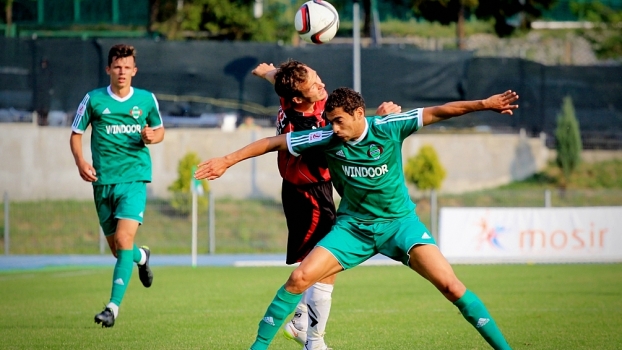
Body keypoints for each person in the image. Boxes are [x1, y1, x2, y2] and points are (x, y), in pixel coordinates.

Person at [195, 87, 519, 350]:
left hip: (399, 225)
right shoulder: (326, 138)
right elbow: (273, 143)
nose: (333, 128)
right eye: (329, 121)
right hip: (353, 229)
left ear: (359, 114)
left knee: (451, 286)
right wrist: (226, 160)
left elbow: (440, 110)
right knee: (298, 279)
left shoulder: (389, 126)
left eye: (338, 121)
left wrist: (485, 104)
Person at [251, 60, 401, 350]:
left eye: (317, 76)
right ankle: (309, 336)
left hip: (307, 190)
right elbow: (347, 139)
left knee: (318, 264)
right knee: (324, 264)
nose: (322, 84)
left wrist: (265, 72)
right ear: (298, 99)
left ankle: (302, 322)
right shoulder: (307, 127)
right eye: (314, 83)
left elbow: (278, 80)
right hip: (309, 195)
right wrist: (378, 121)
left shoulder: (292, 94)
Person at [69, 44, 165, 328]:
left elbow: (160, 130)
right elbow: (75, 134)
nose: (122, 72)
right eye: (117, 67)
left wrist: (151, 136)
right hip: (102, 183)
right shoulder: (93, 99)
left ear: (134, 71)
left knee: (123, 241)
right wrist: (80, 161)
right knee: (119, 250)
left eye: (127, 67)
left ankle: (112, 307)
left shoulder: (146, 100)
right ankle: (142, 256)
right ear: (108, 69)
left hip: (134, 180)